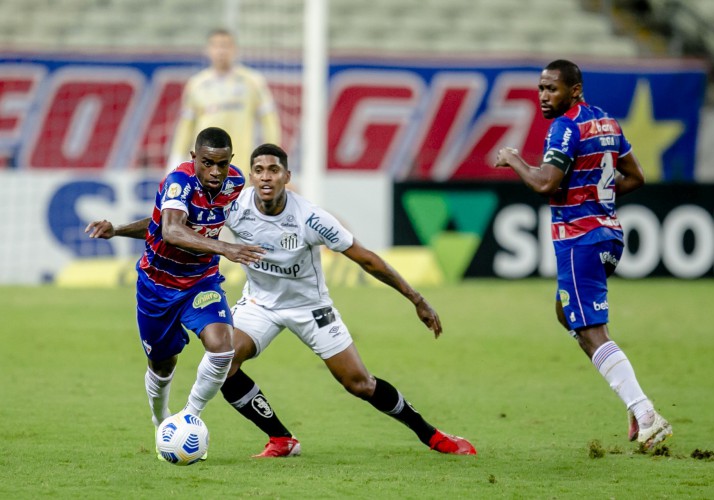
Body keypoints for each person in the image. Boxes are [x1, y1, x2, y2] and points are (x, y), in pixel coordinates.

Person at [218, 143, 476, 457]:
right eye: (259, 170)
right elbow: (181, 226)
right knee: (223, 361)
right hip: (259, 304)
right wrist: (157, 229)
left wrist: (417, 299)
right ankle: (281, 439)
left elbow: (367, 259)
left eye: (274, 170)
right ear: (250, 176)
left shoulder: (310, 218)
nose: (266, 177)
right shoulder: (234, 206)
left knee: (359, 383)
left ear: (287, 175)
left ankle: (431, 435)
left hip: (311, 308)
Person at [493, 59, 671, 450]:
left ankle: (644, 413)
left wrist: (514, 159)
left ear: (574, 90)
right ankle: (631, 396)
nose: (543, 96)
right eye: (540, 88)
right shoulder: (606, 122)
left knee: (591, 330)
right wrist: (595, 196)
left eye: (551, 88)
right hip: (608, 235)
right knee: (566, 312)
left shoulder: (565, 127)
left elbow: (544, 183)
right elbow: (636, 176)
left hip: (580, 239)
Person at [85, 127, 266, 460]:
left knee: (222, 347)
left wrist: (118, 230)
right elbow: (167, 229)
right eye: (208, 162)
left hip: (201, 281)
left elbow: (162, 222)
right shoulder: (179, 181)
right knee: (162, 366)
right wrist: (226, 247)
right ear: (193, 157)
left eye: (222, 164)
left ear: (231, 162)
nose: (215, 171)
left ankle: (189, 415)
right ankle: (161, 420)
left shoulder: (236, 184)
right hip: (158, 287)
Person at [168, 28, 282, 176]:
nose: (221, 51)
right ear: (208, 50)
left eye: (226, 45)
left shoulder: (253, 82)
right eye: (216, 46)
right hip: (206, 167)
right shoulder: (196, 84)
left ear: (235, 49)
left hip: (241, 165)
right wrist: (175, 159)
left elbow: (269, 120)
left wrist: (273, 156)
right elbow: (186, 126)